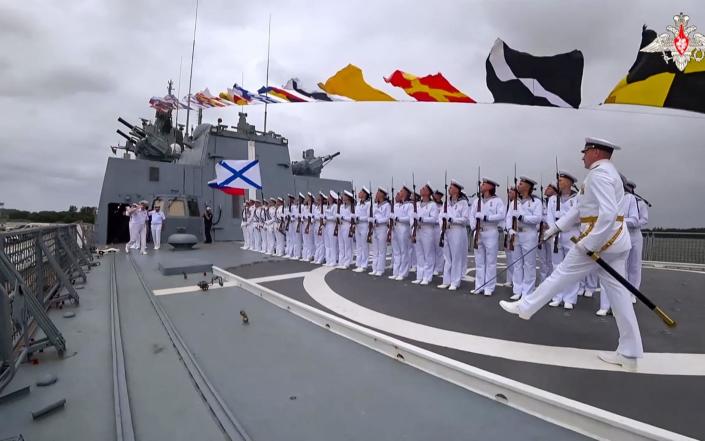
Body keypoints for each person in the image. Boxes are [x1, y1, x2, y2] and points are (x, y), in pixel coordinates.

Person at [500, 137, 644, 371]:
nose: (582, 156)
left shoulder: (599, 175)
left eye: (585, 151)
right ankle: (630, 353)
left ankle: (525, 307)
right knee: (619, 297)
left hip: (599, 240)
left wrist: (590, 243)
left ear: (596, 152)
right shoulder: (610, 173)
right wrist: (555, 229)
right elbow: (579, 209)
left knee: (561, 274)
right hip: (616, 241)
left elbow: (607, 214)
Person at [547, 172, 581, 309]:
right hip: (556, 235)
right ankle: (557, 296)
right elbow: (549, 216)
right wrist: (554, 228)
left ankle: (570, 298)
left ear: (569, 182)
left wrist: (564, 219)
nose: (558, 183)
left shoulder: (578, 198)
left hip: (572, 233)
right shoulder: (553, 199)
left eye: (561, 180)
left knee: (571, 266)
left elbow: (580, 216)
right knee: (557, 267)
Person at [470, 178, 506, 296]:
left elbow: (501, 215)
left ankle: (489, 287)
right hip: (479, 231)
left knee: (490, 261)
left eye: (484, 184)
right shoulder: (477, 201)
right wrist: (473, 226)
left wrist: (486, 217)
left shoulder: (497, 201)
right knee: (479, 261)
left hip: (490, 231)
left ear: (490, 187)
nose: (481, 185)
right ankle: (479, 286)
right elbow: (472, 215)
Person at [508, 176, 542, 300]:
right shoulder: (514, 202)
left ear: (528, 187)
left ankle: (528, 291)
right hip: (516, 234)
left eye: (521, 183)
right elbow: (508, 217)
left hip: (529, 233)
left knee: (529, 264)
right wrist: (509, 229)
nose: (518, 185)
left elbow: (538, 218)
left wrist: (522, 218)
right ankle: (517, 289)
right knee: (517, 263)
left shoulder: (536, 202)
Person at [437, 179, 469, 291]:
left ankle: (455, 282)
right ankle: (446, 280)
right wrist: (442, 224)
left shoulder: (463, 203)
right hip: (447, 230)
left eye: (451, 187)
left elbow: (465, 219)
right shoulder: (446, 203)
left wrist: (452, 219)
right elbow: (440, 216)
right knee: (447, 257)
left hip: (457, 230)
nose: (449, 189)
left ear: (457, 189)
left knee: (456, 257)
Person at [411, 182, 439, 285]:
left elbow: (434, 219)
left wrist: (422, 219)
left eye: (424, 188)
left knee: (428, 254)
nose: (421, 189)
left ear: (428, 192)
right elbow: (412, 216)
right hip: (418, 230)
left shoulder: (432, 205)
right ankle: (420, 276)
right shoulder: (417, 204)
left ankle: (427, 277)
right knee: (419, 253)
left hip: (427, 230)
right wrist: (413, 224)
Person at [390, 185, 412, 280]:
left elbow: (409, 218)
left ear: (406, 193)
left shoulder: (410, 205)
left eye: (402, 191)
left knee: (404, 251)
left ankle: (403, 273)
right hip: (395, 228)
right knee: (396, 251)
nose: (399, 192)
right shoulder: (396, 205)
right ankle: (396, 271)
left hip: (404, 228)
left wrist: (398, 218)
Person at [369, 187, 391, 276]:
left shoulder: (387, 205)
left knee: (382, 250)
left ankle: (380, 269)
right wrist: (372, 220)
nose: (376, 194)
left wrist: (378, 221)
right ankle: (374, 268)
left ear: (383, 194)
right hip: (375, 228)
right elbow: (371, 215)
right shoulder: (375, 205)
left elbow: (387, 218)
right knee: (375, 249)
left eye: (378, 192)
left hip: (382, 228)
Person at [537, 184, 556, 283]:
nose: (546, 189)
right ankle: (543, 281)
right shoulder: (541, 202)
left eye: (549, 188)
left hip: (553, 233)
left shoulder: (556, 201)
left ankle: (551, 281)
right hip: (541, 233)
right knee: (542, 260)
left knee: (552, 260)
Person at [353, 187, 372, 273]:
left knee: (364, 246)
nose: (359, 193)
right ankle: (359, 263)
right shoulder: (358, 204)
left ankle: (364, 265)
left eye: (361, 192)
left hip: (364, 225)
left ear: (364, 194)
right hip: (358, 225)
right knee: (358, 246)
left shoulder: (368, 204)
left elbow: (368, 217)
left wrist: (359, 218)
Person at [337, 190, 355, 269]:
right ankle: (341, 261)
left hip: (347, 225)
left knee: (347, 245)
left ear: (348, 197)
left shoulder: (351, 207)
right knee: (341, 244)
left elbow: (352, 218)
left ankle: (347, 262)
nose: (343, 197)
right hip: (341, 225)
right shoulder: (341, 206)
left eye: (344, 196)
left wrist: (343, 218)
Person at [324, 191, 340, 267]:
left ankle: (334, 260)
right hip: (327, 225)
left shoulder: (334, 206)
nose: (328, 198)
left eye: (329, 196)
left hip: (332, 225)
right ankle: (328, 259)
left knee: (333, 244)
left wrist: (327, 218)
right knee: (327, 244)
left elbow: (335, 217)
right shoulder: (328, 206)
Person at [432, 190, 445, 276]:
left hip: (438, 227)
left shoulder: (442, 205)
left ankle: (439, 267)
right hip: (431, 227)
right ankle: (433, 266)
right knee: (432, 249)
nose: (435, 196)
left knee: (439, 249)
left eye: (437, 195)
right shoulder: (432, 204)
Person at [313, 192, 327, 264]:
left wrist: (322, 225)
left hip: (321, 225)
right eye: (317, 199)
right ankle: (317, 257)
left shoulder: (324, 207)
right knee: (317, 243)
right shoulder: (316, 207)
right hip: (315, 224)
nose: (317, 201)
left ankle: (321, 258)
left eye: (319, 199)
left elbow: (324, 218)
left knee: (321, 243)